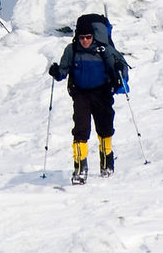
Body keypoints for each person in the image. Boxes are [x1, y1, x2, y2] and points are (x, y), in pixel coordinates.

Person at [48, 14, 128, 183]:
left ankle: (107, 163)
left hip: (102, 92)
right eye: (82, 37)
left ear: (93, 36)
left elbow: (118, 66)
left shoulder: (103, 49)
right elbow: (63, 71)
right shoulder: (72, 50)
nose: (85, 41)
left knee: (105, 127)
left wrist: (119, 73)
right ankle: (79, 169)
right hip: (81, 94)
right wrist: (57, 72)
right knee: (80, 129)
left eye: (88, 37)